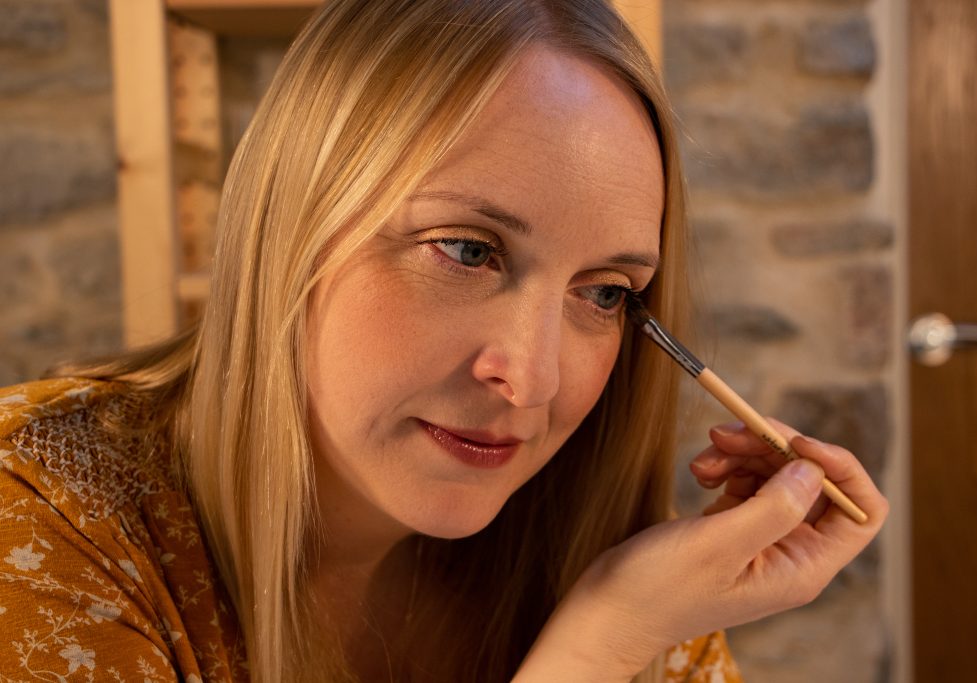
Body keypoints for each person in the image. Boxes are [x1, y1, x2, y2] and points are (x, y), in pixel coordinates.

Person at [0, 1, 888, 681]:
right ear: (290, 223)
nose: (531, 381)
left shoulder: (614, 560)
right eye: (468, 250)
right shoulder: (34, 516)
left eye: (605, 292)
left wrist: (626, 619)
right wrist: (595, 648)